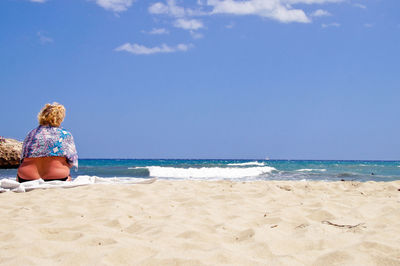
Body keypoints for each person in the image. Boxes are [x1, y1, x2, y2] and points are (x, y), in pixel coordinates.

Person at [17, 103, 78, 183]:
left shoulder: (31, 134)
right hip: (57, 176)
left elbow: (23, 159)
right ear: (60, 118)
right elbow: (71, 161)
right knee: (68, 175)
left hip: (26, 177)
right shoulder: (65, 135)